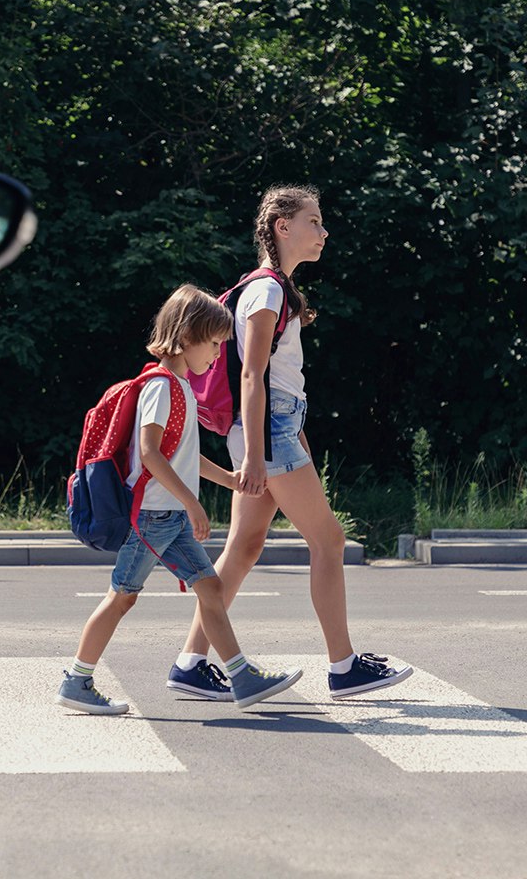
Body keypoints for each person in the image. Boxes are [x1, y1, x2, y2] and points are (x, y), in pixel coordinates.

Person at [168, 185, 413, 701]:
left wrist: (285, 435)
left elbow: (275, 379)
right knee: (328, 541)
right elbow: (252, 377)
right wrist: (259, 454)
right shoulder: (268, 291)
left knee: (244, 546)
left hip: (275, 428)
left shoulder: (273, 290)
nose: (323, 232)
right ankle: (344, 666)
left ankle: (190, 662)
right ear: (283, 226)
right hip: (267, 431)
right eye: (314, 221)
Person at [56, 284, 303, 715]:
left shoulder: (181, 387)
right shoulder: (160, 386)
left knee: (210, 587)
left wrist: (229, 479)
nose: (215, 356)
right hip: (152, 517)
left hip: (166, 517)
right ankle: (77, 680)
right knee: (122, 598)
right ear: (186, 337)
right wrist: (193, 503)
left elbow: (184, 455)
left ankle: (241, 677)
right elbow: (150, 452)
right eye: (212, 344)